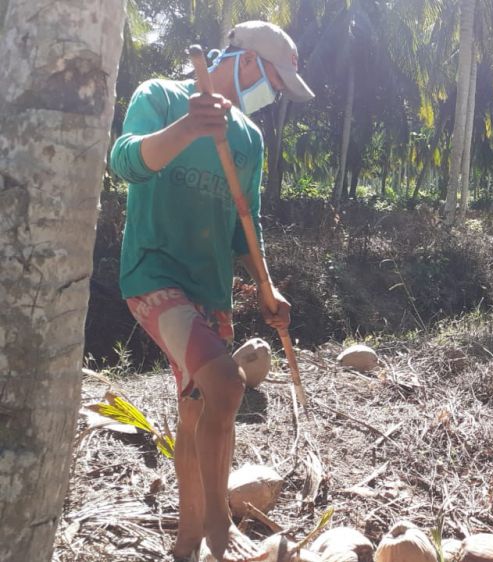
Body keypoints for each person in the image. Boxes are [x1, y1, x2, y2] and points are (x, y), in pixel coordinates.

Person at [109, 21, 314, 562]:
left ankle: (185, 546)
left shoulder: (248, 139)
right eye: (273, 81)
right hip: (155, 278)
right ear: (247, 63)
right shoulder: (160, 96)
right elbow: (125, 161)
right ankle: (219, 533)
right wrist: (187, 128)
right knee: (225, 384)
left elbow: (243, 228)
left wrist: (267, 291)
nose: (272, 96)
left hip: (211, 289)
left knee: (197, 415)